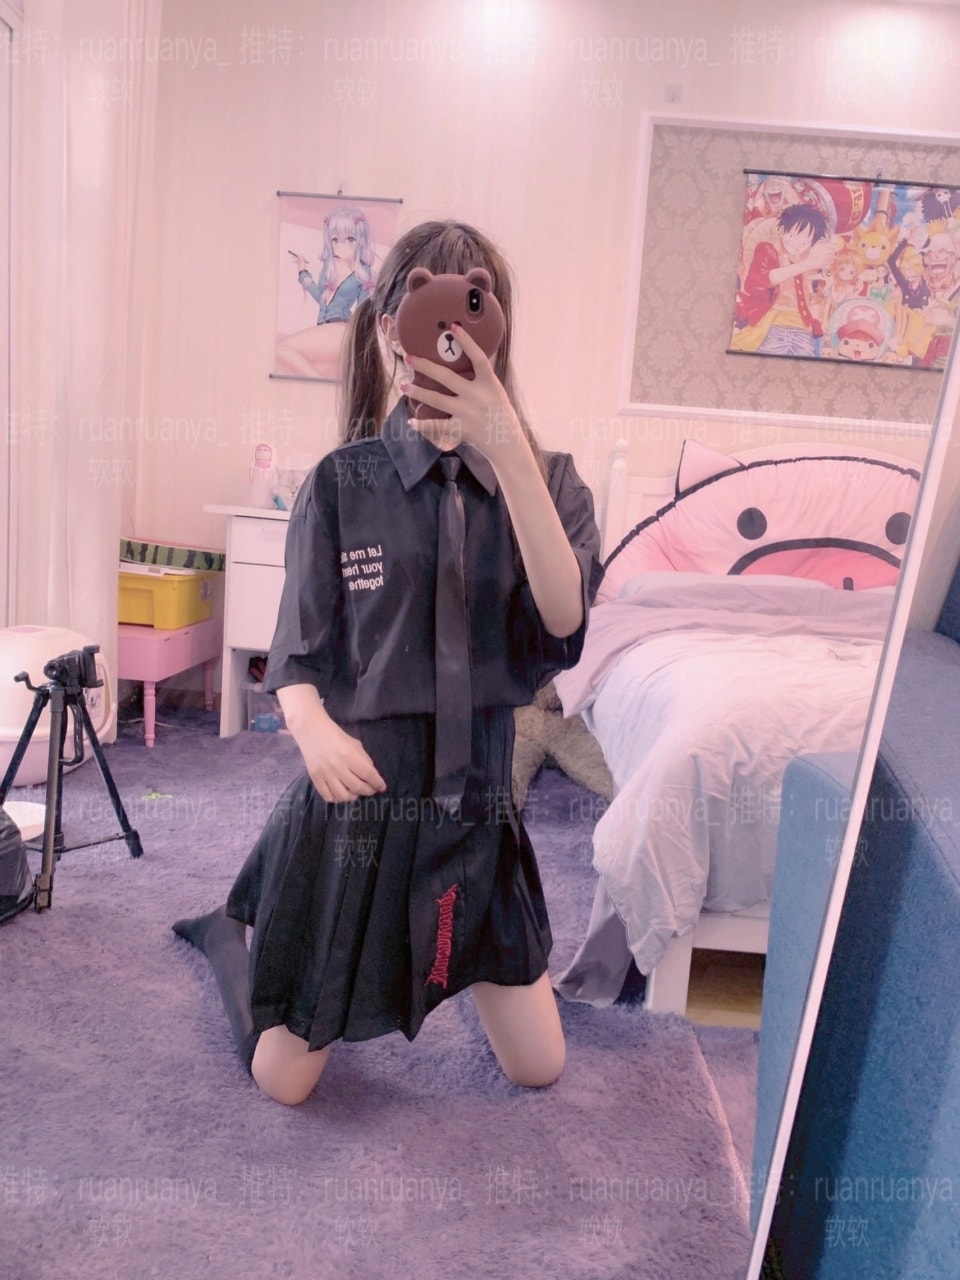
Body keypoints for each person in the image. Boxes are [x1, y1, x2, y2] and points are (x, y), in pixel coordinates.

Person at [173, 221, 604, 1107]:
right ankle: (228, 936)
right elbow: (295, 651)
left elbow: (564, 616)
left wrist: (504, 445)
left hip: (479, 811)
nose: (439, 340)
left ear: (496, 333)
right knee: (284, 1082)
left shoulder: (550, 482)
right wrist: (310, 729)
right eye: (415, 312)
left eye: (467, 313)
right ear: (382, 331)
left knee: (540, 1066)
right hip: (361, 807)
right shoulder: (342, 484)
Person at [274, 205, 377, 380]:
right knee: (306, 366)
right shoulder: (329, 266)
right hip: (324, 328)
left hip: (341, 329)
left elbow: (363, 311)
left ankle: (317, 381)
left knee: (282, 349)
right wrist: (303, 272)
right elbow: (321, 297)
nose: (341, 246)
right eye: (335, 240)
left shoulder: (363, 272)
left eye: (350, 239)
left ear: (360, 240)